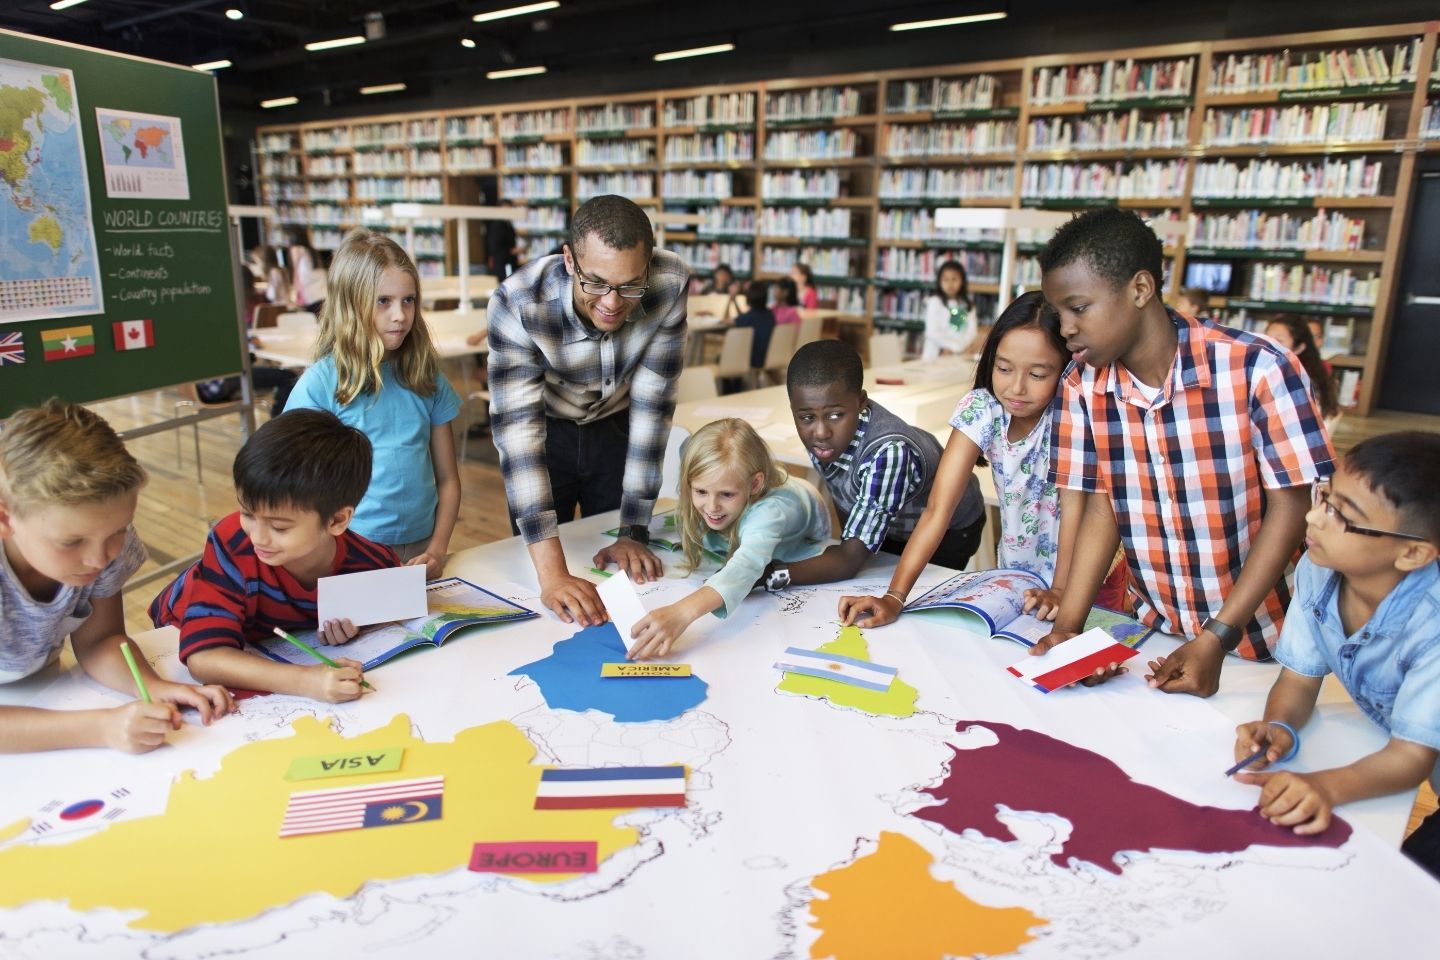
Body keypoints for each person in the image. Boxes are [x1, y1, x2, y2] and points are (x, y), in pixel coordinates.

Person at [1034, 208, 1333, 695]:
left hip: (1269, 646)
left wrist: (1218, 634)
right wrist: (1068, 627)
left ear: (1139, 289)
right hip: (1155, 634)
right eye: (1059, 313)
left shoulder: (1258, 368)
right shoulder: (1082, 385)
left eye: (1079, 308)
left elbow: (1294, 508)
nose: (1065, 328)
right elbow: (1103, 507)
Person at [836, 293, 1127, 627]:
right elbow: (938, 510)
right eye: (1004, 368)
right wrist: (894, 596)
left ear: (1065, 371)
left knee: (1086, 662)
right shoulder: (982, 409)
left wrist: (1062, 589)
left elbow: (1075, 508)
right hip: (1020, 575)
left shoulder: (1073, 412)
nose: (1016, 388)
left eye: (1037, 374)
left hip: (1087, 578)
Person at [1230, 432, 1440, 879]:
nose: (1314, 517)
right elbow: (1299, 680)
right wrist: (1279, 726)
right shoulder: (1320, 567)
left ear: (1413, 553)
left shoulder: (1434, 623)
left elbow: (1411, 757)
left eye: (1343, 515)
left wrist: (1323, 785)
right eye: (1326, 497)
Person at [488, 194, 687, 624]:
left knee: (621, 574)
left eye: (630, 285)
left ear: (648, 267)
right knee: (546, 591)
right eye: (595, 282)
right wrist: (554, 575)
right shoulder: (518, 302)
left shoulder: (669, 283)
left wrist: (634, 529)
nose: (612, 303)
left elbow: (654, 410)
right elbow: (519, 442)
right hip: (545, 433)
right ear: (568, 261)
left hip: (615, 429)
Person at [0, 400, 234, 753]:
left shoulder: (102, 534)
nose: (98, 558)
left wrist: (153, 687)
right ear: (5, 520)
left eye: (119, 531)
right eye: (71, 541)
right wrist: (102, 727)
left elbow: (101, 640)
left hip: (40, 691)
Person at [149, 410, 399, 702]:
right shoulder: (232, 543)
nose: (257, 537)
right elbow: (204, 658)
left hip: (264, 643)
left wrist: (358, 623)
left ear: (336, 521)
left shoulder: (368, 563)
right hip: (178, 628)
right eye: (247, 513)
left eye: (279, 527)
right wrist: (307, 681)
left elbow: (394, 586)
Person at [286, 229, 461, 579]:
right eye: (384, 301)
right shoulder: (320, 384)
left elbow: (448, 480)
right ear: (351, 304)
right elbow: (296, 492)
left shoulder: (426, 377)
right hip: (348, 554)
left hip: (423, 549)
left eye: (408, 300)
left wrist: (437, 549)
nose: (400, 315)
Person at [782, 338, 986, 592]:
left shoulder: (889, 454)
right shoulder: (826, 438)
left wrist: (772, 573)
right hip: (894, 524)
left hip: (947, 531)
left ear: (861, 402)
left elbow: (848, 562)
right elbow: (844, 496)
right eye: (806, 417)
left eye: (835, 415)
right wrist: (853, 542)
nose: (820, 431)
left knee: (916, 600)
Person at [626, 419, 830, 659]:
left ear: (754, 485)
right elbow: (687, 448)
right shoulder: (703, 470)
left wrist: (681, 613)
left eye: (726, 494)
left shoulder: (770, 512)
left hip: (799, 535)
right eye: (701, 491)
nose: (711, 506)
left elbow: (746, 564)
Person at [1264, 315, 1339, 420]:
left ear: (1299, 348)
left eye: (1279, 341)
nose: (1266, 346)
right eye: (1265, 338)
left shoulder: (1297, 381)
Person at [922, 259, 979, 361]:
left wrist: (956, 349)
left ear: (962, 281)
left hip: (959, 355)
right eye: (946, 279)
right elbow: (932, 332)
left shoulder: (968, 305)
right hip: (935, 356)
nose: (950, 284)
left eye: (954, 279)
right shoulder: (935, 302)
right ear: (939, 282)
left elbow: (971, 332)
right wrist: (951, 347)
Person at [732, 280, 776, 372]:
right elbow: (743, 317)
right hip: (768, 356)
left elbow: (735, 320)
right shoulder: (770, 315)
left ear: (748, 298)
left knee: (724, 358)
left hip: (752, 359)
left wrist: (733, 300)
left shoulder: (746, 318)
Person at [288, 236, 328, 314]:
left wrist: (295, 291)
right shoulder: (312, 251)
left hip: (310, 295)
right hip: (323, 293)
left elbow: (296, 272)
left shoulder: (296, 249)